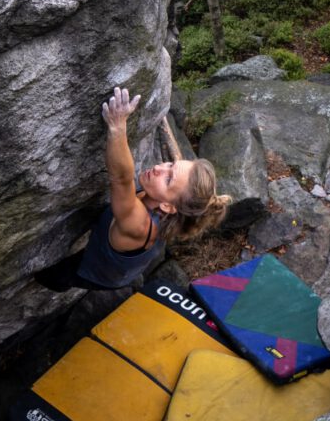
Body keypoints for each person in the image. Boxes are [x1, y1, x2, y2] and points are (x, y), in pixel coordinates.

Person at [36, 86, 232, 292]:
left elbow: (121, 179)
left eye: (168, 179)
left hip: (102, 274)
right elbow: (176, 164)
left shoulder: (138, 224)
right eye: (169, 165)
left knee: (57, 276)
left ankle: (49, 280)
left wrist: (117, 126)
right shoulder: (167, 199)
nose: (159, 168)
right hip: (120, 252)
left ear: (167, 205)